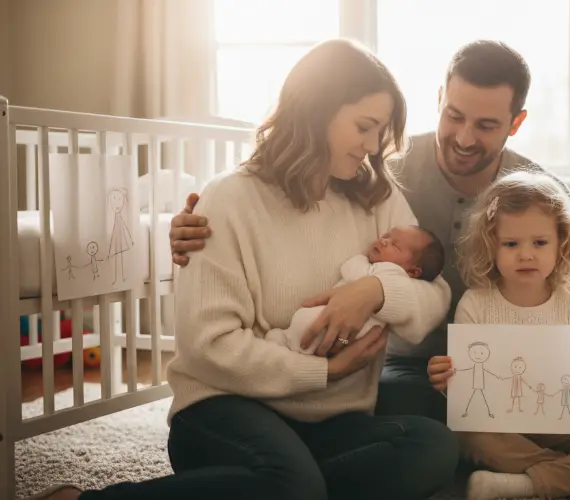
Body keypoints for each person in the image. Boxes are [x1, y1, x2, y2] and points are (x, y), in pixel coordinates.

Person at [26, 38, 458, 500]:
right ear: (317, 111)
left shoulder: (376, 197)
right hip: (227, 410)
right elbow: (211, 345)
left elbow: (436, 295)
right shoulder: (229, 198)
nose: (374, 146)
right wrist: (322, 373)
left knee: (432, 446)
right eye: (365, 127)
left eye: (381, 131)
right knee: (292, 486)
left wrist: (375, 291)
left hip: (331, 421)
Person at [169, 39, 570, 428]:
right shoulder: (381, 175)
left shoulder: (539, 190)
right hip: (419, 366)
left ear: (517, 123)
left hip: (528, 356)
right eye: (455, 116)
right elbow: (277, 190)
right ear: (440, 99)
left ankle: (508, 440)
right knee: (409, 408)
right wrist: (197, 219)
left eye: (487, 125)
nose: (465, 138)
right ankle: (511, 442)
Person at [428, 171, 570, 500]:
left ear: (560, 243)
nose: (526, 254)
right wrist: (447, 382)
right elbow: (468, 397)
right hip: (501, 429)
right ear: (491, 246)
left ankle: (526, 483)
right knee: (467, 435)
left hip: (564, 427)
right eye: (511, 244)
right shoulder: (475, 304)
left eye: (539, 242)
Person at [266, 224, 445, 354]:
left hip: (335, 329)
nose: (383, 241)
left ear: (413, 271)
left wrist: (361, 262)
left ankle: (286, 342)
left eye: (394, 245)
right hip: (351, 340)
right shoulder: (395, 271)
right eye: (386, 235)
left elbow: (352, 273)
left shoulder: (389, 271)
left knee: (304, 325)